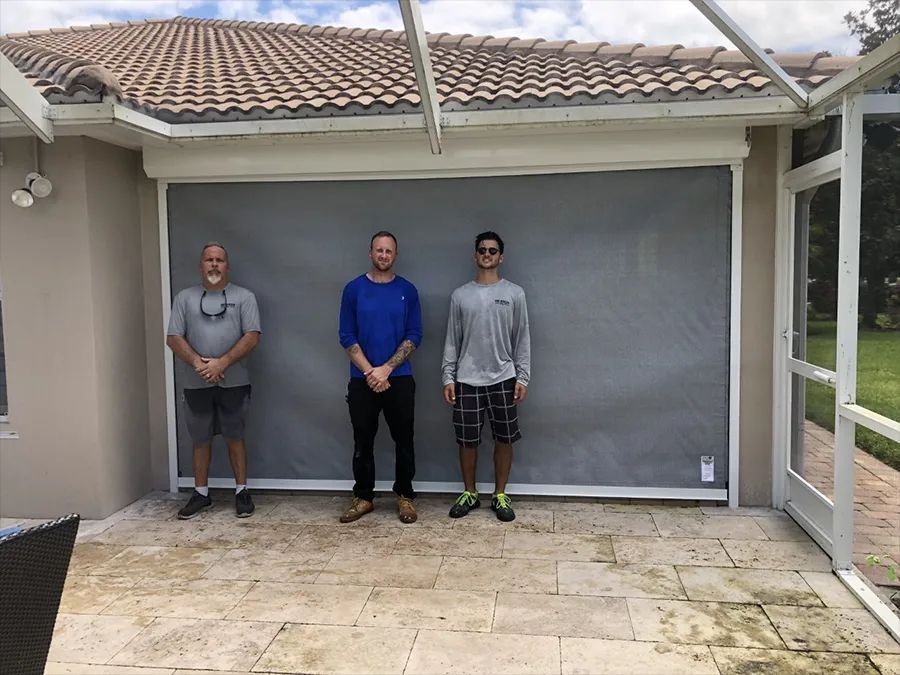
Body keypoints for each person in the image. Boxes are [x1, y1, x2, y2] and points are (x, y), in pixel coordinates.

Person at [166, 242, 261, 519]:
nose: (214, 264)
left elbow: (252, 335)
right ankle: (201, 494)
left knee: (235, 435)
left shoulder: (244, 297)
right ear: (201, 265)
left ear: (227, 266)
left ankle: (241, 491)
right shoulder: (184, 298)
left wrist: (222, 363)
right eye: (209, 260)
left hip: (235, 380)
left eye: (219, 260)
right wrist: (199, 364)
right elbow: (173, 337)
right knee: (200, 438)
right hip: (197, 382)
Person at [441, 231, 531, 522]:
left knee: (504, 438)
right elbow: (452, 340)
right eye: (483, 250)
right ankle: (470, 492)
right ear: (475, 255)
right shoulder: (460, 295)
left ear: (501, 257)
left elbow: (522, 338)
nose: (487, 254)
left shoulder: (514, 293)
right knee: (467, 440)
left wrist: (523, 377)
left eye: (493, 251)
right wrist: (448, 377)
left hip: (504, 377)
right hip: (466, 379)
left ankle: (500, 495)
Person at [338, 231, 423, 523]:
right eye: (379, 250)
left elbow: (414, 335)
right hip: (362, 378)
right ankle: (363, 497)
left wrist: (386, 369)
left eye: (389, 251)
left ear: (395, 255)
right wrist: (370, 371)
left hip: (399, 378)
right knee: (362, 441)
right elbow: (346, 335)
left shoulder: (408, 291)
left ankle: (405, 498)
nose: (383, 255)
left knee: (404, 440)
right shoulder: (353, 289)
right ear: (370, 253)